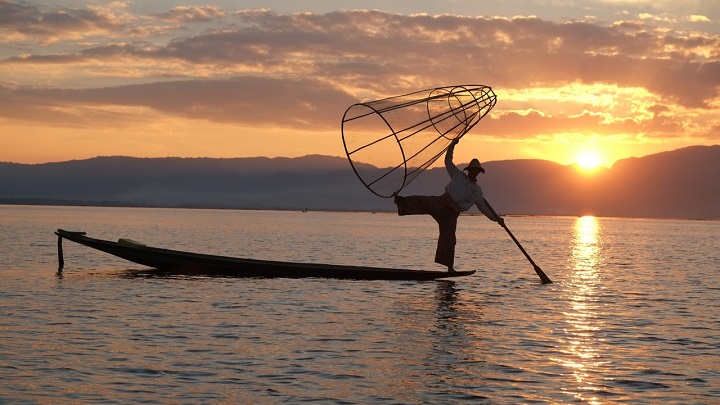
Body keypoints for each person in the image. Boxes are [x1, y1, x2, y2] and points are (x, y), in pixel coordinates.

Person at [393, 138, 504, 272]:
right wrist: (452, 146)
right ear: (469, 170)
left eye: (476, 171)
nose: (473, 172)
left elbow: (483, 208)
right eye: (472, 170)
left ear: (479, 172)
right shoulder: (458, 175)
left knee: (449, 239)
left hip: (452, 213)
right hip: (443, 201)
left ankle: (449, 267)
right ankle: (400, 201)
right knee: (424, 201)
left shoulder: (477, 191)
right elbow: (448, 161)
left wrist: (496, 219)